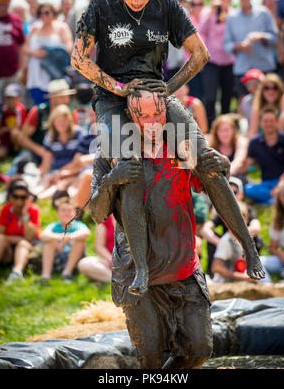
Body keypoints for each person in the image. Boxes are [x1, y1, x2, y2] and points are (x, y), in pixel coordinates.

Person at [72, 0, 264, 297]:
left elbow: (200, 54)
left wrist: (167, 88)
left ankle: (249, 247)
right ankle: (142, 267)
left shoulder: (167, 5)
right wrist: (118, 88)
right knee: (127, 168)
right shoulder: (101, 5)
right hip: (113, 99)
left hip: (157, 93)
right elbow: (79, 60)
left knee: (205, 161)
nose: (138, 0)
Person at [88, 88, 264, 369]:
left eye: (157, 113)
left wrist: (225, 165)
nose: (152, 122)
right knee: (152, 358)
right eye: (143, 116)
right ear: (130, 118)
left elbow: (212, 185)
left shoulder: (180, 147)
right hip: (136, 273)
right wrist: (112, 180)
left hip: (184, 268)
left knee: (199, 349)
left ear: (167, 112)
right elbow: (96, 214)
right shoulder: (110, 154)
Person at [224, 0, 278, 99]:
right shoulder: (232, 17)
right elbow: (227, 44)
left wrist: (262, 36)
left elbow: (275, 38)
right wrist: (240, 46)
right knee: (243, 104)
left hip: (264, 67)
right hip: (242, 69)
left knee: (266, 103)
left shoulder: (264, 13)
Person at [202, 176, 263, 277]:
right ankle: (212, 274)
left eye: (233, 192)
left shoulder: (248, 209)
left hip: (243, 243)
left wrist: (239, 238)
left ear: (241, 194)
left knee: (256, 239)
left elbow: (256, 227)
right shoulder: (222, 210)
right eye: (226, 192)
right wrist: (220, 242)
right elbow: (206, 228)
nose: (230, 195)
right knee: (212, 241)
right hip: (229, 243)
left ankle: (254, 268)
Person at [22, 2, 73, 105]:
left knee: (56, 105)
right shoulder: (35, 27)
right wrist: (35, 53)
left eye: (46, 12)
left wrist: (50, 53)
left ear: (53, 13)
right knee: (39, 106)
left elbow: (69, 47)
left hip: (55, 72)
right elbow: (25, 48)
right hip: (36, 72)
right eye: (40, 13)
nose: (43, 15)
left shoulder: (61, 27)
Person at [199, 0, 235, 126]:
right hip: (211, 62)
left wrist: (226, 17)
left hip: (229, 62)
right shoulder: (207, 12)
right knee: (210, 98)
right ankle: (209, 127)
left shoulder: (233, 14)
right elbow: (200, 30)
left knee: (227, 98)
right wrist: (212, 12)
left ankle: (227, 128)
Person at [0, 179, 40, 283]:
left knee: (23, 243)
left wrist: (25, 216)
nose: (19, 202)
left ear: (28, 198)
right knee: (1, 239)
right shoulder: (6, 210)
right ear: (10, 196)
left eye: (23, 197)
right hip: (7, 252)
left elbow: (29, 238)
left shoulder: (33, 210)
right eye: (16, 197)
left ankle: (16, 273)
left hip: (25, 251)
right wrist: (17, 239)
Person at [245, 106, 284, 205]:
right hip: (266, 184)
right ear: (260, 123)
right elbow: (248, 165)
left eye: (271, 121)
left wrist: (282, 184)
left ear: (277, 121)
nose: (269, 124)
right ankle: (275, 200)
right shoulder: (255, 142)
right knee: (248, 189)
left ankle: (271, 199)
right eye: (266, 121)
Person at [35, 104, 85, 199]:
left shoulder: (79, 134)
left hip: (74, 171)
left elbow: (77, 163)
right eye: (58, 120)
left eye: (64, 120)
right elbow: (47, 162)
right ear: (53, 122)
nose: (61, 123)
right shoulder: (50, 137)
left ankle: (39, 198)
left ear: (70, 120)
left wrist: (59, 173)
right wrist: (45, 176)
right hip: (56, 170)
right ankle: (32, 195)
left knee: (58, 185)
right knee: (45, 180)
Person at [39, 191, 89, 282]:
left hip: (74, 260)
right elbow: (43, 235)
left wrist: (69, 237)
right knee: (49, 242)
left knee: (80, 241)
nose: (66, 213)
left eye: (69, 210)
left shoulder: (78, 225)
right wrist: (61, 237)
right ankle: (45, 275)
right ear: (57, 213)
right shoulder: (54, 226)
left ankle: (67, 273)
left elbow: (86, 232)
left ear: (75, 213)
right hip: (58, 257)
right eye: (63, 210)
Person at [211, 201, 258, 284]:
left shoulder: (246, 240)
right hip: (226, 285)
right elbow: (216, 268)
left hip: (240, 284)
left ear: (246, 220)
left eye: (241, 219)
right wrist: (244, 277)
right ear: (225, 221)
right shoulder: (226, 241)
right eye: (232, 219)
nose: (237, 223)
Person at [0, 0, 25, 99]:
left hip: (13, 74)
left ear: (10, 1)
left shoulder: (16, 19)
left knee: (15, 107)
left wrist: (21, 69)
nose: (3, 2)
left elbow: (21, 46)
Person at [260, 180, 284, 283]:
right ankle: (269, 287)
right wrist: (281, 254)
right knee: (257, 262)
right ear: (279, 198)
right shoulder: (277, 221)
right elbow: (272, 248)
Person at [248, 73, 284, 139]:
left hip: (283, 141)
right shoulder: (258, 104)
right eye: (267, 88)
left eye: (275, 88)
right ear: (262, 90)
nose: (271, 91)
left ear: (279, 89)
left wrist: (271, 137)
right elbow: (253, 131)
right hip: (263, 143)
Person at [208, 114, 248, 183]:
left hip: (237, 178)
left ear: (233, 130)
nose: (224, 134)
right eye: (221, 131)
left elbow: (238, 161)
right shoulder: (211, 145)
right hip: (218, 180)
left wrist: (224, 175)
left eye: (227, 130)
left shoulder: (241, 141)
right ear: (216, 132)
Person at [78, 215, 114, 283]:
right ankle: (115, 280)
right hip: (110, 260)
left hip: (130, 261)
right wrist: (112, 261)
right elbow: (100, 246)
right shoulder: (104, 219)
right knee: (84, 264)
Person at [0, 83, 27, 159]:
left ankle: (17, 152)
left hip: (17, 137)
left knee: (14, 132)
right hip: (6, 139)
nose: (11, 100)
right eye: (8, 98)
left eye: (13, 98)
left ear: (19, 97)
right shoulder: (4, 110)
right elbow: (0, 126)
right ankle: (6, 151)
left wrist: (5, 129)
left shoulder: (20, 109)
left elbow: (19, 126)